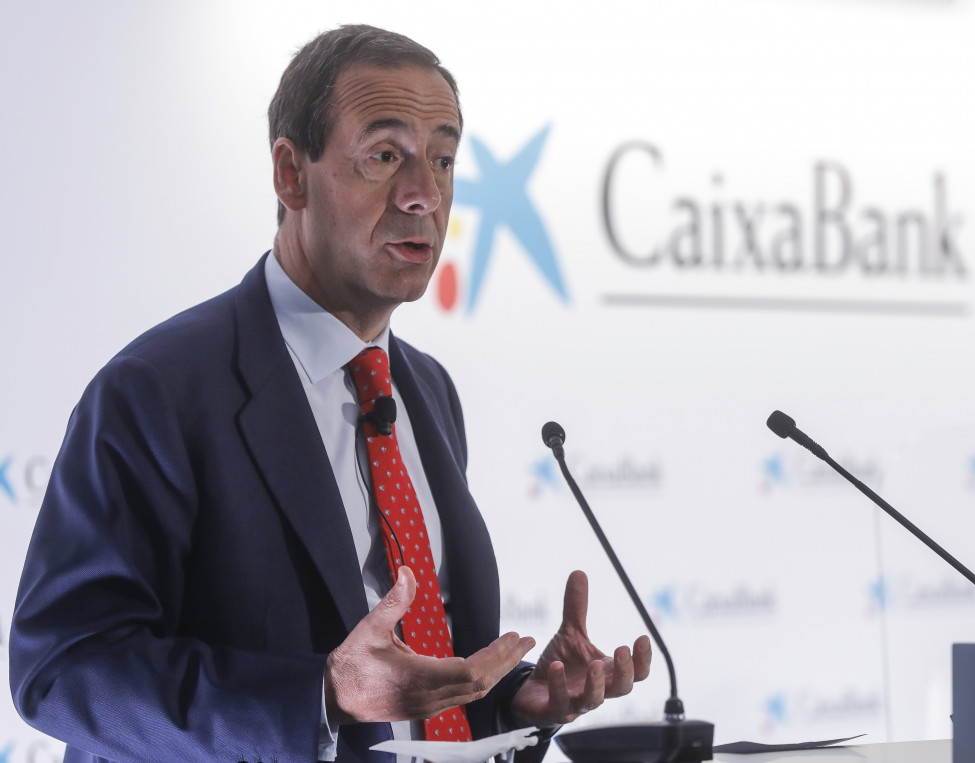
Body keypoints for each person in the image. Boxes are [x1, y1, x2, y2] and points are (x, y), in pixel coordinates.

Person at [9, 24, 651, 763]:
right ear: (290, 174)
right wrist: (318, 696)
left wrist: (515, 696)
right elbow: (62, 668)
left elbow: (410, 667)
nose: (422, 195)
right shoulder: (158, 389)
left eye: (441, 160)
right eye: (384, 156)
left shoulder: (427, 389)